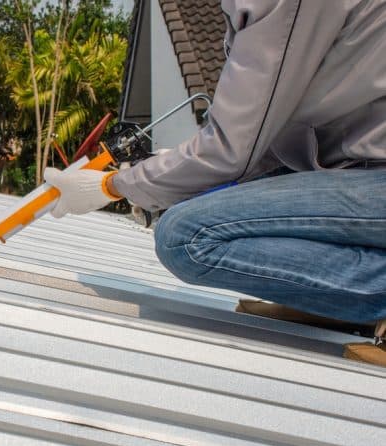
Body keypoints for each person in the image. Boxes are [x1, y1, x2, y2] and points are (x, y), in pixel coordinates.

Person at [43, 0, 386, 366]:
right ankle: (345, 305)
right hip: (359, 171)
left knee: (185, 235)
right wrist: (162, 170)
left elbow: (230, 149)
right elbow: (264, 143)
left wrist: (114, 186)